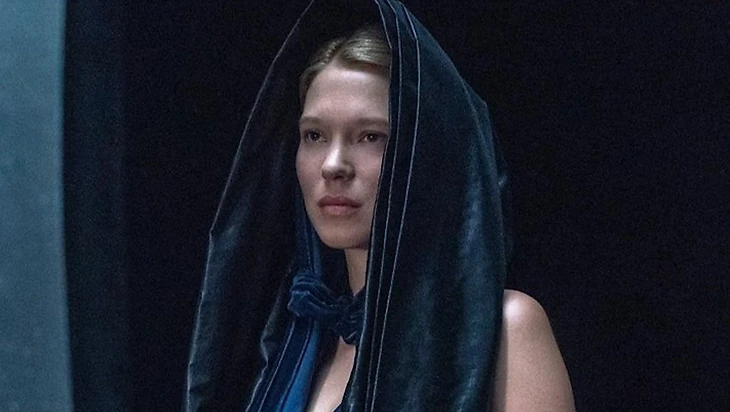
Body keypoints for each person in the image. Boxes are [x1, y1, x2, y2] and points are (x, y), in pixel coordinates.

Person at [185, 1, 574, 411]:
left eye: (371, 136)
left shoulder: (504, 329)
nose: (333, 165)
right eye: (314, 135)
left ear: (427, 153)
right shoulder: (288, 342)